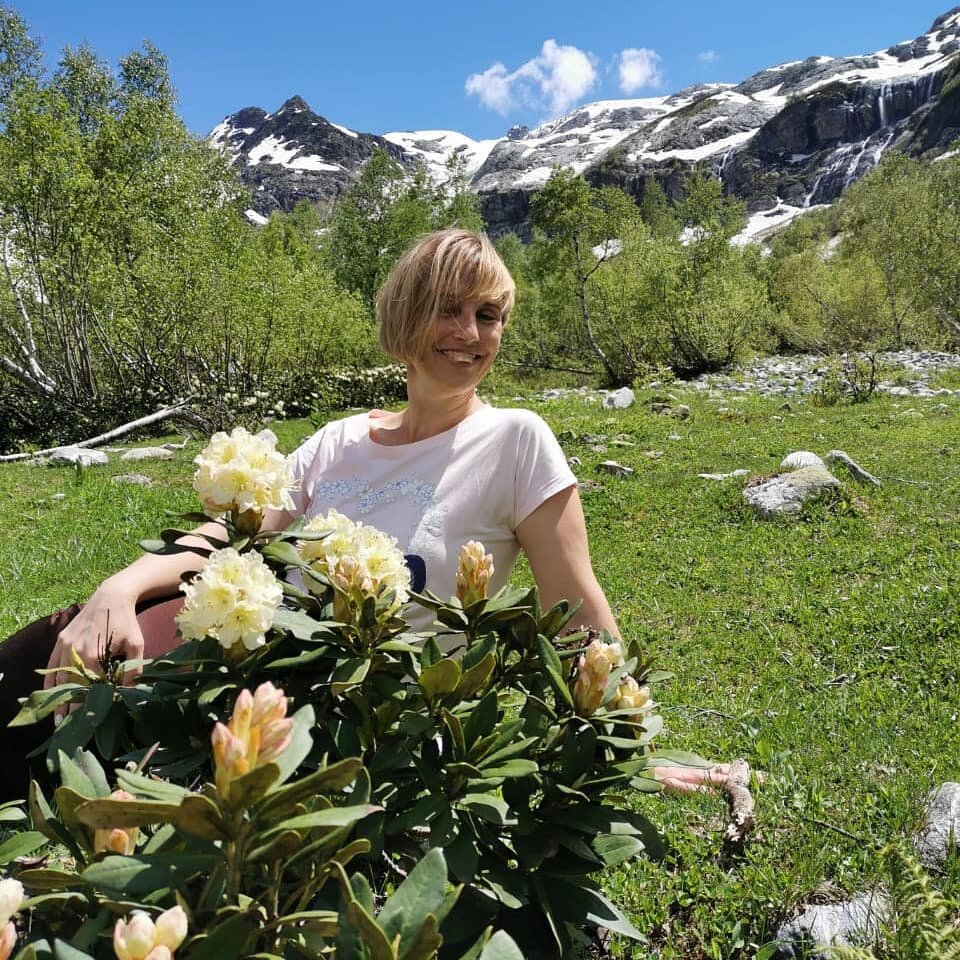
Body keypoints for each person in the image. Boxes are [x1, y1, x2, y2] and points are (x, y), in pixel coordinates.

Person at [0, 228, 727, 800]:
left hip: (353, 702)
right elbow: (238, 532)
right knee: (58, 648)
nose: (471, 334)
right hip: (251, 650)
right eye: (449, 308)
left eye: (488, 315)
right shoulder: (338, 440)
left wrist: (629, 741)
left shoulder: (514, 439)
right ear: (406, 315)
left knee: (117, 756)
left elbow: (577, 604)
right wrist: (120, 587)